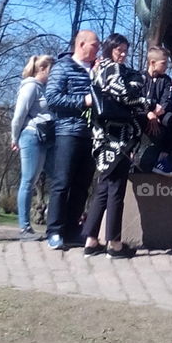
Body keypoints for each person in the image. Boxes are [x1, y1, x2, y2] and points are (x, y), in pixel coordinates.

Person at [82, 33, 149, 260]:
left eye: (125, 51)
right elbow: (124, 94)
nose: (122, 54)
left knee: (103, 189)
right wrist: (145, 101)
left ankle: (91, 241)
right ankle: (114, 243)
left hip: (102, 138)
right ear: (110, 48)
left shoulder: (97, 69)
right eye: (119, 49)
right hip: (117, 139)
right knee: (116, 191)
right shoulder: (112, 69)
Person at [45, 30, 99, 251]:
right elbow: (53, 99)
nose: (98, 49)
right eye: (95, 45)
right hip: (67, 131)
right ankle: (54, 231)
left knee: (82, 184)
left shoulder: (97, 69)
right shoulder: (62, 67)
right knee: (62, 183)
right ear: (81, 44)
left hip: (92, 134)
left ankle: (72, 229)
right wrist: (84, 101)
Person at [11, 53, 56, 239]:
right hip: (30, 136)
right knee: (28, 180)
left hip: (45, 138)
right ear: (42, 69)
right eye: (51, 71)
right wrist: (14, 138)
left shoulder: (45, 89)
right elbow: (18, 116)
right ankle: (24, 227)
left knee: (55, 176)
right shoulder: (30, 87)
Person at [138, 46, 172, 175]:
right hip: (142, 114)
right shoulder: (139, 78)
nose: (167, 66)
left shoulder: (166, 80)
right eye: (164, 63)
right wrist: (148, 114)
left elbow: (165, 101)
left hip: (160, 114)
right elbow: (137, 100)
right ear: (152, 63)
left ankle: (163, 159)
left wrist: (155, 115)